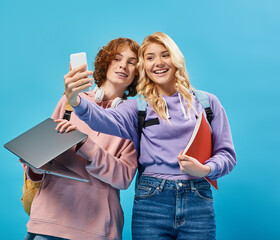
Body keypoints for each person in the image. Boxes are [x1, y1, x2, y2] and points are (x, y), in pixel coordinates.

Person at [65, 32, 237, 240]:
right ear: (144, 66)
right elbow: (101, 118)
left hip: (198, 199)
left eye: (165, 55)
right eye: (150, 57)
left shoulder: (207, 103)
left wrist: (205, 169)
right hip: (151, 200)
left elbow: (227, 155)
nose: (158, 63)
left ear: (175, 59)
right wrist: (75, 101)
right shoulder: (138, 108)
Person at [22, 38, 140, 240]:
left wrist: (86, 145)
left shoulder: (133, 120)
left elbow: (123, 177)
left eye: (132, 61)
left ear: (139, 72)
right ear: (106, 63)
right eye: (117, 58)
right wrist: (34, 165)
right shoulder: (70, 101)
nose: (123, 65)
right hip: (49, 221)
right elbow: (40, 161)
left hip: (97, 228)